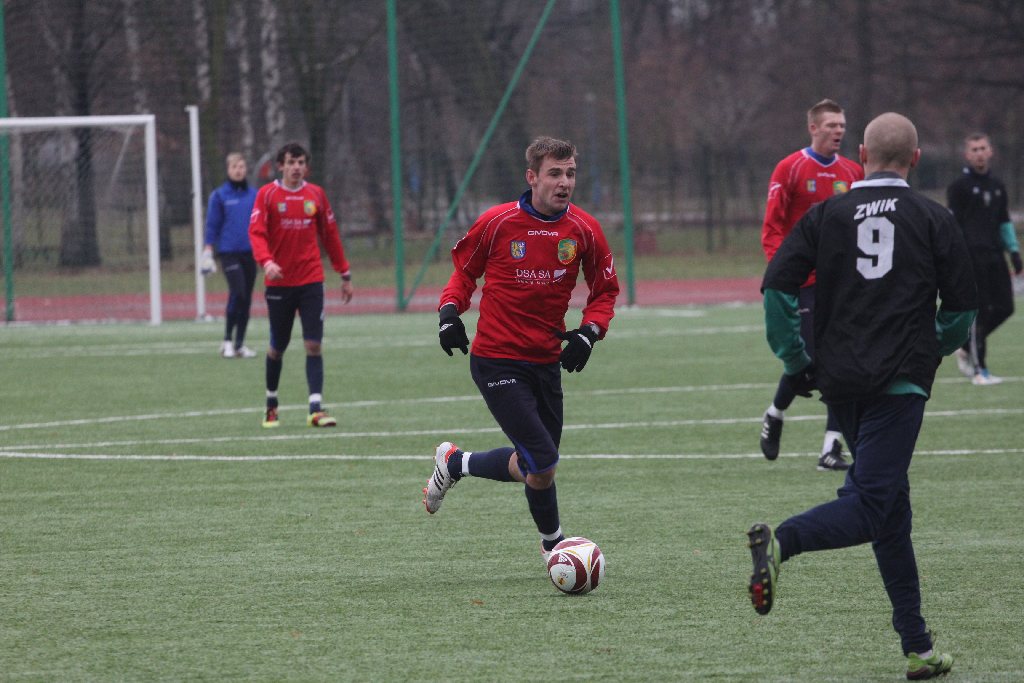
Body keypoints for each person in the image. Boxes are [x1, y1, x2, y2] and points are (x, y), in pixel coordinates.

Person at [747, 112, 977, 680]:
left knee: (892, 514)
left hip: (842, 383)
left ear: (864, 155)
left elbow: (776, 285)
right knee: (875, 505)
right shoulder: (933, 217)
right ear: (916, 158)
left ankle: (918, 647)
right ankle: (782, 543)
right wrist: (934, 348)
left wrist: (797, 360)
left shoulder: (827, 213)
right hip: (899, 385)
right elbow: (964, 308)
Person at [422, 136, 619, 566]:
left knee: (535, 468)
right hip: (495, 359)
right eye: (554, 173)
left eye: (570, 173)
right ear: (532, 177)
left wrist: (589, 332)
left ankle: (456, 464)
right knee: (543, 459)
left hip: (545, 361)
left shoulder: (584, 230)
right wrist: (449, 313)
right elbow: (464, 274)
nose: (564, 182)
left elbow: (605, 291)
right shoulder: (497, 222)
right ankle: (555, 546)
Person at [759, 99, 865, 471]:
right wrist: (782, 272)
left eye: (842, 124)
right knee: (810, 362)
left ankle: (830, 448)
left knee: (842, 362)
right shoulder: (790, 168)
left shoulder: (853, 172)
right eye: (832, 124)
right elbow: (772, 226)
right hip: (800, 281)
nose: (839, 130)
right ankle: (775, 413)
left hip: (841, 284)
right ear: (814, 128)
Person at [248, 142, 353, 429]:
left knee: (313, 344)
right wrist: (267, 261)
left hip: (311, 281)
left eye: (301, 162)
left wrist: (344, 273)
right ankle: (271, 403)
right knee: (277, 348)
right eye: (291, 162)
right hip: (279, 283)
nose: (296, 167)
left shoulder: (315, 195)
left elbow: (330, 236)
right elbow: (256, 233)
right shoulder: (267, 195)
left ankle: (315, 408)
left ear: (306, 167)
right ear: (280, 166)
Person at [946, 132, 1022, 386]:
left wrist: (1014, 252)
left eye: (983, 148)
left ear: (990, 151)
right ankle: (980, 371)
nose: (979, 153)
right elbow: (953, 225)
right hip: (971, 257)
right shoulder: (959, 188)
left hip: (995, 254)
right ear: (967, 155)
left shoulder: (998, 186)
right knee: (979, 311)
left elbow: (1003, 221)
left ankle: (967, 345)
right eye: (974, 149)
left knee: (1005, 307)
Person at [202, 152, 259, 358]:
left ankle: (240, 344)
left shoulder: (254, 195)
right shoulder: (219, 195)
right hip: (229, 253)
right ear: (228, 170)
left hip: (250, 253)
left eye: (242, 167)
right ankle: (227, 340)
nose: (238, 170)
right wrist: (208, 248)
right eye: (235, 167)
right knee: (238, 293)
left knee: (247, 299)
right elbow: (212, 225)